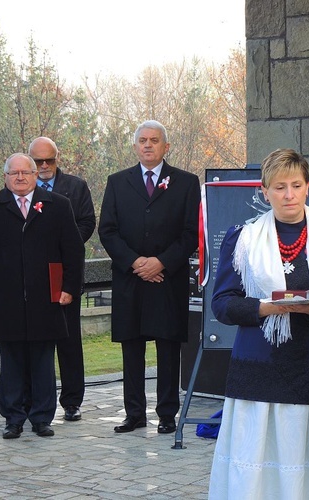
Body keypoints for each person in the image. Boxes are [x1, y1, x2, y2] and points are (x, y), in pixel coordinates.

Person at [208, 148, 309, 499]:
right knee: (258, 465)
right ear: (264, 191)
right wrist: (263, 309)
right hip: (260, 368)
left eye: (296, 185)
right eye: (279, 187)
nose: (289, 194)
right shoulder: (243, 239)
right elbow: (222, 304)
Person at [98, 120, 200, 435]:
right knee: (132, 348)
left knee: (168, 348)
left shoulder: (185, 182)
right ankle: (134, 414)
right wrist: (136, 263)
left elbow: (190, 233)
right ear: (135, 146)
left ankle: (167, 414)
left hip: (168, 280)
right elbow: (108, 231)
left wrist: (161, 263)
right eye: (142, 140)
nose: (147, 145)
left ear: (165, 147)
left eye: (154, 140)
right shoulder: (117, 182)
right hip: (130, 280)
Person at [0, 153, 84, 439]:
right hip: (5, 300)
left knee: (43, 360)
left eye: (26, 172)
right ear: (5, 177)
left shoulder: (58, 205)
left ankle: (42, 418)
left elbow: (73, 250)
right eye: (14, 173)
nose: (20, 178)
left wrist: (69, 288)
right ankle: (13, 418)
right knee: (10, 362)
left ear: (36, 175)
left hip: (46, 298)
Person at [28, 136, 96, 422]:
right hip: (31, 276)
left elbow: (87, 222)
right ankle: (32, 400)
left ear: (58, 158)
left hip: (65, 272)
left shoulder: (76, 187)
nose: (44, 166)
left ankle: (71, 401)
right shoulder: (22, 185)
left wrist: (64, 246)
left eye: (49, 160)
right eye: (38, 161)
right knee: (33, 341)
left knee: (68, 341)